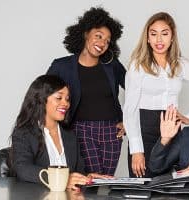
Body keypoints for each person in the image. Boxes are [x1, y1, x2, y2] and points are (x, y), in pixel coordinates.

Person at [123, 12, 189, 178]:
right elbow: (130, 110)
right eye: (153, 34)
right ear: (147, 38)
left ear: (172, 36)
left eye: (164, 33)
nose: (159, 40)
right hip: (144, 129)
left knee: (170, 186)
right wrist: (136, 150)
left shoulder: (182, 64)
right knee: (143, 187)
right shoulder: (137, 66)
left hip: (173, 132)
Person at [46, 7, 126, 176]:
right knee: (91, 179)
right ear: (85, 34)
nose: (102, 43)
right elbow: (43, 95)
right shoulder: (62, 66)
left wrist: (128, 120)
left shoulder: (112, 65)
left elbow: (137, 90)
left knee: (106, 182)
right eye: (98, 36)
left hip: (112, 131)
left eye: (107, 40)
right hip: (80, 129)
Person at [11, 75, 111, 191]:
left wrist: (86, 178)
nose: (66, 104)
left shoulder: (70, 135)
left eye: (67, 99)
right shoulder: (24, 132)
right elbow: (23, 168)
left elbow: (77, 172)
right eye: (59, 98)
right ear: (41, 100)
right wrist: (61, 180)